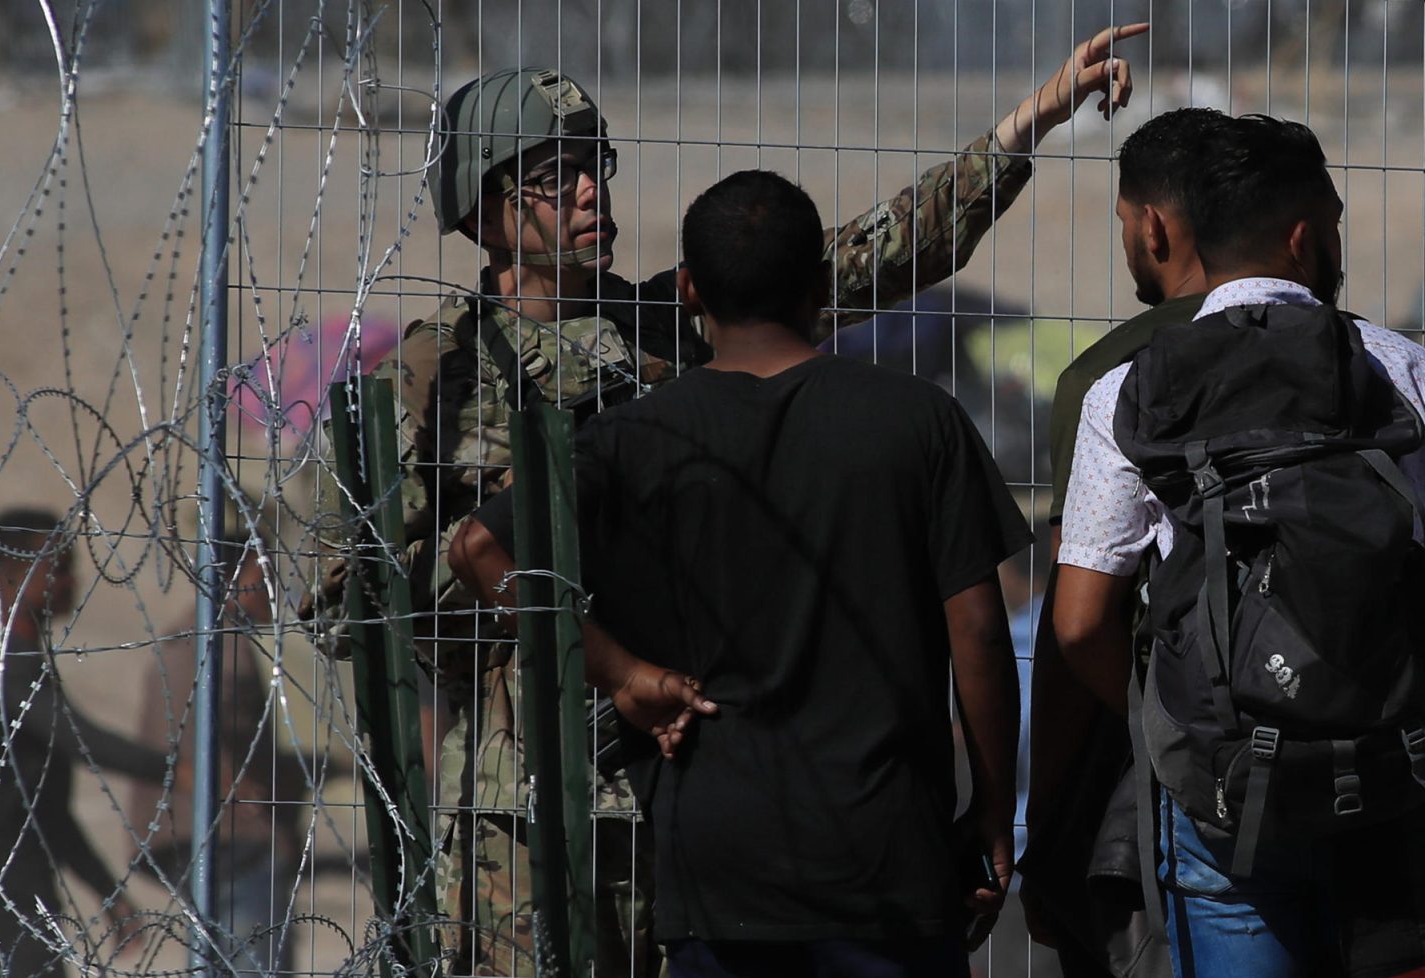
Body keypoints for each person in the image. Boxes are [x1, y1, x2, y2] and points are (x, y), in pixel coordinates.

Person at [303, 24, 1148, 976]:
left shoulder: (667, 327)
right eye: (553, 175)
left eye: (594, 165)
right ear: (486, 213)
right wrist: (536, 577)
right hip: (523, 804)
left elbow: (874, 254)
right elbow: (344, 601)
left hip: (683, 790)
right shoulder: (431, 375)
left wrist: (1026, 125)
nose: (590, 191)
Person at [449, 168, 1030, 978]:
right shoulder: (916, 420)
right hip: (886, 859)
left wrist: (619, 672)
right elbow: (976, 630)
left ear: (687, 288)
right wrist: (994, 810)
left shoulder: (637, 438)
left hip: (713, 867)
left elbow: (477, 549)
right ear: (822, 284)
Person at [1052, 113, 1425, 978]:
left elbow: (1076, 625)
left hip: (1219, 790)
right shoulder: (1398, 368)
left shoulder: (1128, 391)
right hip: (1390, 778)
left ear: (1180, 235)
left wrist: (1172, 723)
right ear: (1305, 238)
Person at [1021, 107, 1221, 978]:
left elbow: (1076, 627)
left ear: (1154, 227)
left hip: (1155, 772)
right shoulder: (1374, 356)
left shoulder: (1107, 382)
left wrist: (1045, 810)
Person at [0, 507, 170, 978]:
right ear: (14, 575)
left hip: (16, 873)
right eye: (59, 566)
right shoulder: (1, 667)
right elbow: (75, 738)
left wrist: (108, 893)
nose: (73, 580)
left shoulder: (30, 663)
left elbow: (48, 807)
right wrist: (176, 769)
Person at [127, 533, 307, 975]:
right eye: (260, 578)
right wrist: (264, 819)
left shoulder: (184, 636)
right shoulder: (222, 644)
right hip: (230, 832)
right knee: (253, 960)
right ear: (230, 580)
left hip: (183, 828)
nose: (271, 592)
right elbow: (220, 741)